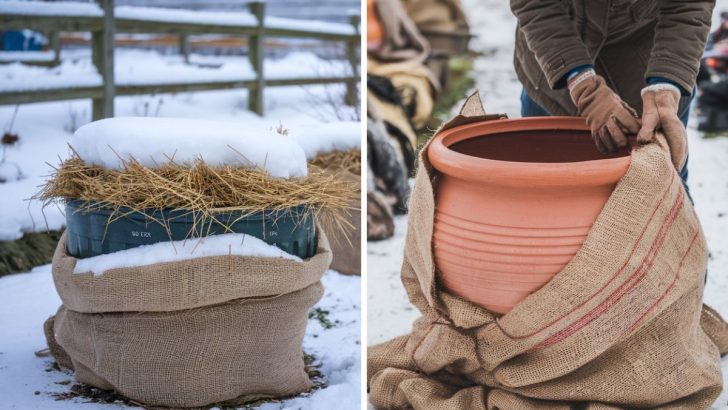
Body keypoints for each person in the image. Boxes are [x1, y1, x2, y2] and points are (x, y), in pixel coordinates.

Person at [511, 0, 715, 196]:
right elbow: (535, 3)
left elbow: (690, 4)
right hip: (554, 70)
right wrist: (583, 87)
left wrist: (667, 86)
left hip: (648, 63)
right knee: (545, 196)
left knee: (665, 203)